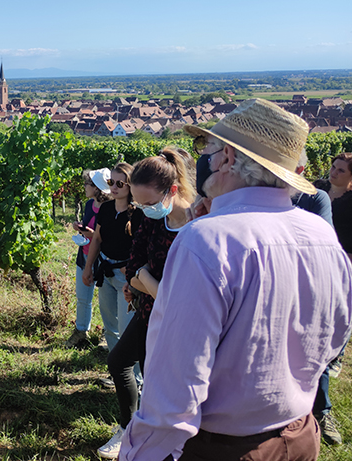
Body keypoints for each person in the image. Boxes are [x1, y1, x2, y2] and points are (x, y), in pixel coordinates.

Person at [120, 99, 352, 461]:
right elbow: (336, 336)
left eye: (207, 151)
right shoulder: (322, 235)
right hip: (301, 435)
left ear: (227, 158)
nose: (205, 162)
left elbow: (175, 389)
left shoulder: (205, 241)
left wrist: (141, 453)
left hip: (221, 447)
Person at [97, 148, 195, 459]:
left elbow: (193, 285)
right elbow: (134, 266)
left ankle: (169, 443)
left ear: (173, 190)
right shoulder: (154, 220)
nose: (145, 210)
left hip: (186, 322)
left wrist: (146, 282)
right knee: (122, 362)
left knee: (168, 383)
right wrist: (158, 290)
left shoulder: (199, 222)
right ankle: (131, 432)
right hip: (152, 312)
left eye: (150, 203)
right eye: (140, 204)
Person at [291, 150, 342, 446]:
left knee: (314, 353)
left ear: (298, 169)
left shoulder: (314, 199)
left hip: (307, 287)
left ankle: (321, 411)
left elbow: (322, 243)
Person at [82, 163, 144, 353]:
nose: (114, 188)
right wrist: (88, 267)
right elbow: (97, 239)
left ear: (130, 186)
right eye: (111, 182)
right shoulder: (107, 208)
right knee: (110, 326)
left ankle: (133, 378)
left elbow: (141, 248)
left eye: (120, 184)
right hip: (106, 273)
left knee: (126, 329)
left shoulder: (139, 214)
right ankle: (117, 372)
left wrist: (132, 271)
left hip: (127, 277)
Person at [65, 168, 112, 347]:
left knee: (106, 302)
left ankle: (107, 334)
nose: (84, 186)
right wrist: (80, 227)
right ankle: (81, 330)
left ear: (97, 188)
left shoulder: (109, 208)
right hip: (84, 256)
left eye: (87, 184)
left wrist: (94, 235)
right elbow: (88, 227)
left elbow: (109, 238)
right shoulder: (88, 205)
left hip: (102, 260)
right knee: (83, 297)